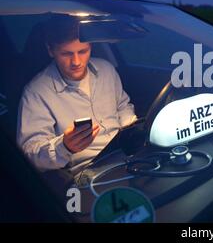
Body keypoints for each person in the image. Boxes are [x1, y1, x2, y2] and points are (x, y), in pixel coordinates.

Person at [17, 14, 137, 175]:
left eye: (82, 51)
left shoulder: (106, 70)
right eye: (66, 54)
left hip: (128, 156)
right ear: (50, 50)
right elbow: (30, 154)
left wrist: (130, 127)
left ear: (90, 47)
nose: (76, 62)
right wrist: (64, 147)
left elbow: (122, 106)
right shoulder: (36, 93)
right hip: (89, 172)